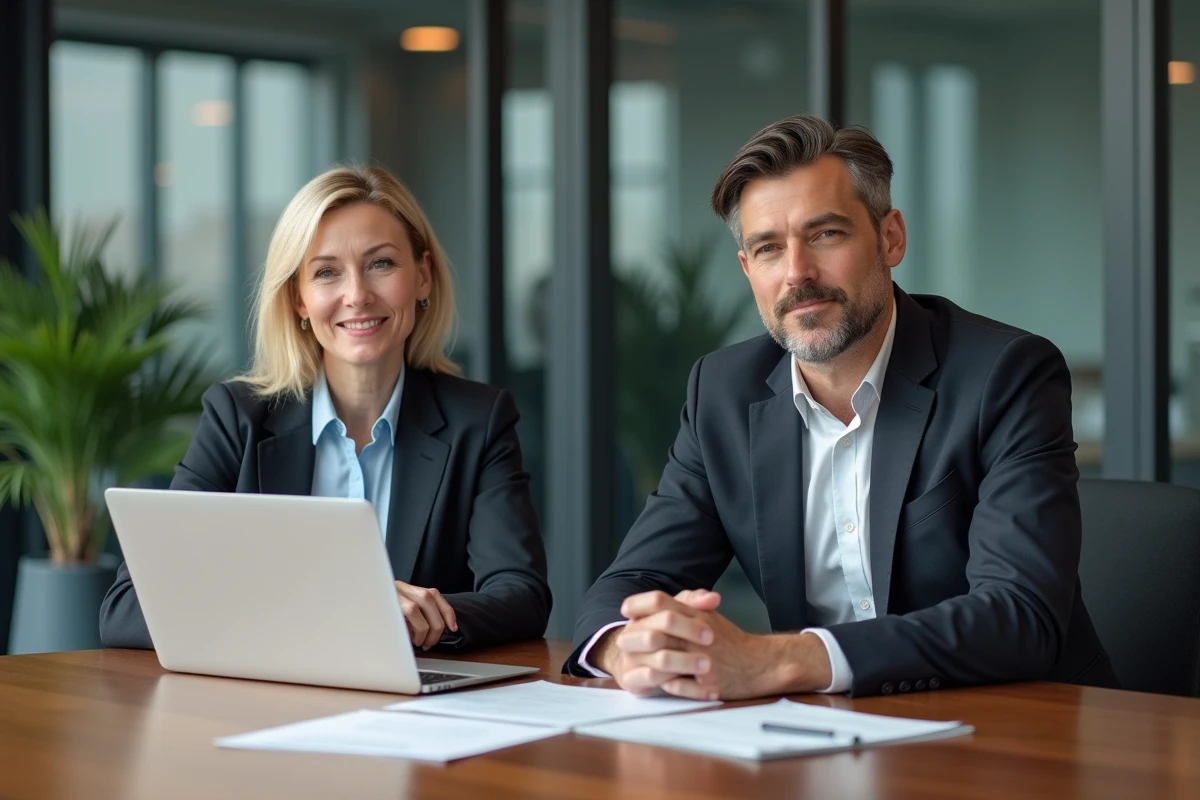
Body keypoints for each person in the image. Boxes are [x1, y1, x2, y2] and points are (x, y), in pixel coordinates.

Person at [564, 115, 1117, 699]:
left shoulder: (1005, 374)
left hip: (1017, 732)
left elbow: (1019, 615)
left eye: (826, 234)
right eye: (769, 248)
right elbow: (633, 580)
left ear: (890, 238)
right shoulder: (723, 392)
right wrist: (624, 646)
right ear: (748, 271)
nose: (798, 272)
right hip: (818, 737)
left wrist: (777, 659)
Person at [100, 165, 551, 652]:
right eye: (326, 272)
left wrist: (424, 618)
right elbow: (127, 608)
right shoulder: (238, 420)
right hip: (266, 706)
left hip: (411, 706)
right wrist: (347, 609)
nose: (356, 294)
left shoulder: (477, 422)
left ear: (422, 276)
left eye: (381, 264)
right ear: (298, 298)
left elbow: (521, 595)